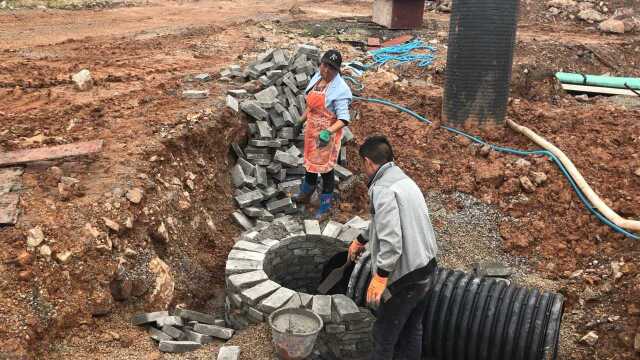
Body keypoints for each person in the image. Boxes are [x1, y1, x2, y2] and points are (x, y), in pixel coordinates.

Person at [348, 135, 438, 360]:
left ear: (368, 162)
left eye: (363, 165)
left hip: (405, 280)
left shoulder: (382, 189)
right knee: (411, 329)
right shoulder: (402, 180)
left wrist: (380, 276)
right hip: (427, 269)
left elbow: (391, 240)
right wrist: (362, 238)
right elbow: (385, 222)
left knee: (383, 338)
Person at [294, 49, 353, 220]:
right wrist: (300, 121)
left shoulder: (340, 90)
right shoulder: (317, 79)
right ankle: (306, 193)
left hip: (327, 137)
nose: (326, 70)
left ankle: (325, 206)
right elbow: (311, 106)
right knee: (310, 166)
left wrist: (327, 132)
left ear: (337, 70)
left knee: (326, 172)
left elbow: (344, 119)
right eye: (324, 65)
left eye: (331, 68)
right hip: (312, 132)